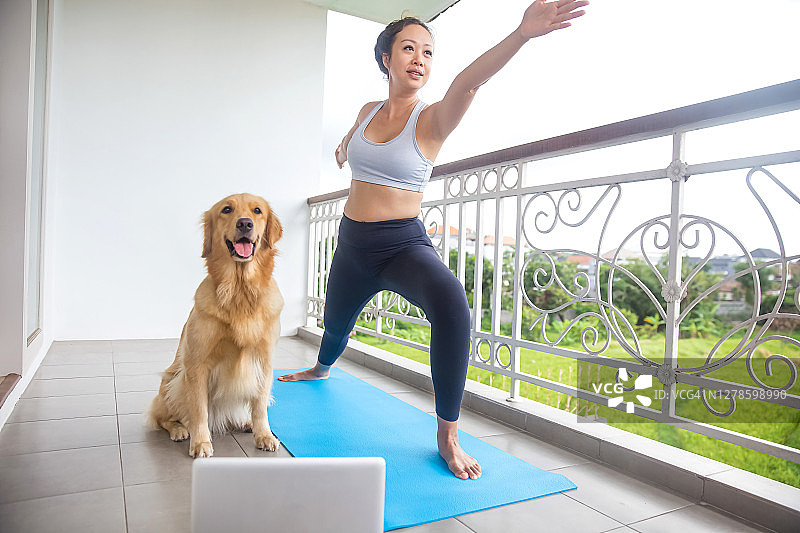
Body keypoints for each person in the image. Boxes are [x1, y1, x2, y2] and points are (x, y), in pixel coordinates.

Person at [279, 0, 588, 480]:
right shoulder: (366, 110)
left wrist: (522, 33)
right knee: (336, 324)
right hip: (351, 244)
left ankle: (448, 434)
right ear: (387, 59)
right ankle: (321, 367)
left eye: (427, 51)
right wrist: (344, 146)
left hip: (402, 245)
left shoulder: (432, 120)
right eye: (408, 48)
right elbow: (355, 141)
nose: (419, 58)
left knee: (451, 304)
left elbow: (468, 82)